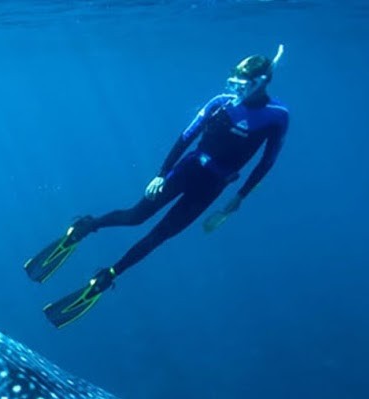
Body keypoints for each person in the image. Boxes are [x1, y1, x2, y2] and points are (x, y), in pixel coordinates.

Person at [24, 45, 290, 328]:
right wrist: (161, 174)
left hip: (212, 185)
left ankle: (107, 275)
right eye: (233, 82)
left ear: (261, 82)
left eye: (242, 84)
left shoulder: (277, 116)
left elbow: (267, 162)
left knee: (159, 234)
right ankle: (87, 228)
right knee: (136, 217)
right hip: (189, 172)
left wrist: (238, 198)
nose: (236, 89)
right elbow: (186, 137)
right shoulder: (220, 103)